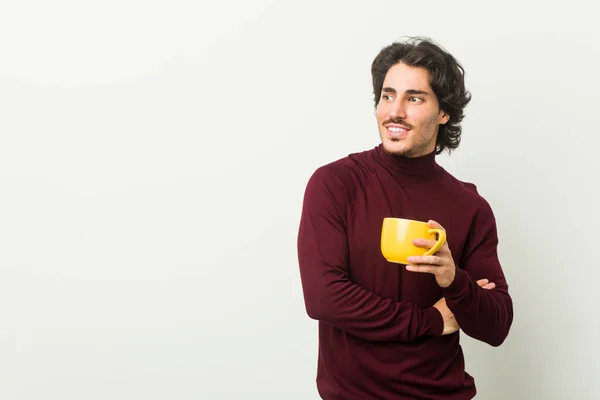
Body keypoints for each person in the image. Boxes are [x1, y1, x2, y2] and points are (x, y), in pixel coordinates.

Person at [296, 37, 514, 400]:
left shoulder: (469, 206)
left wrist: (453, 279)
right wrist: (430, 321)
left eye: (414, 98)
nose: (395, 111)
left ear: (444, 112)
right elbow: (324, 298)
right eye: (387, 95)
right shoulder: (335, 184)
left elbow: (497, 325)